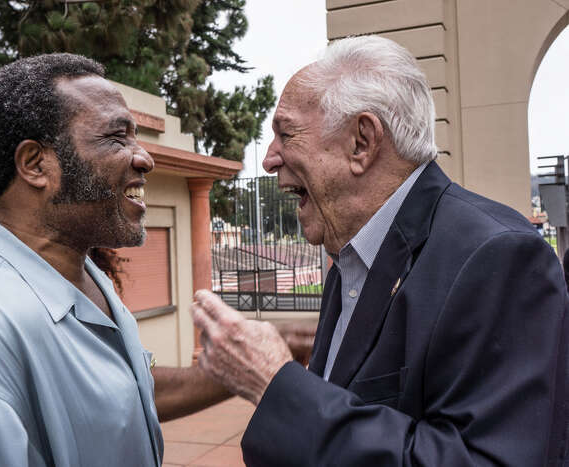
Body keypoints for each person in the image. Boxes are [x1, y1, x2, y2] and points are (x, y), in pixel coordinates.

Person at [192, 35, 569, 466]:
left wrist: (277, 385)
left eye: (286, 134)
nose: (270, 159)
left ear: (362, 142)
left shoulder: (499, 257)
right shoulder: (352, 259)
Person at [0, 53, 245, 466]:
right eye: (117, 138)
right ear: (35, 165)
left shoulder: (74, 271)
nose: (145, 158)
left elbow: (117, 398)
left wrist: (253, 364)